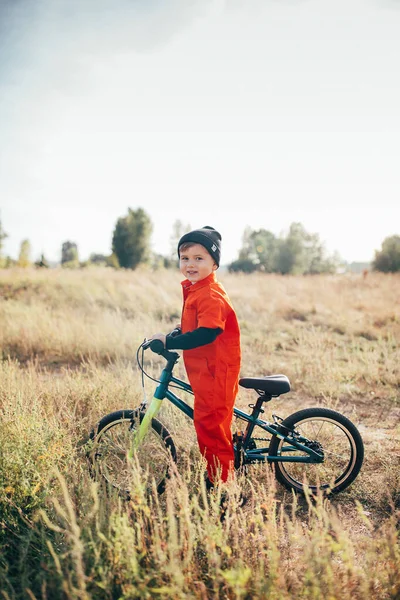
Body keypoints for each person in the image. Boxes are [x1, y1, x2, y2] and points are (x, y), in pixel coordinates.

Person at [149, 226, 241, 489]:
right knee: (212, 425)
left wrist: (173, 342)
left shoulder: (210, 294)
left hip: (216, 371)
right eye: (185, 258)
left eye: (199, 258)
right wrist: (175, 333)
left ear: (214, 263)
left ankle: (224, 488)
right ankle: (217, 473)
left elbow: (208, 333)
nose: (190, 264)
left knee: (211, 427)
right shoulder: (197, 289)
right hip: (207, 371)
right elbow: (194, 327)